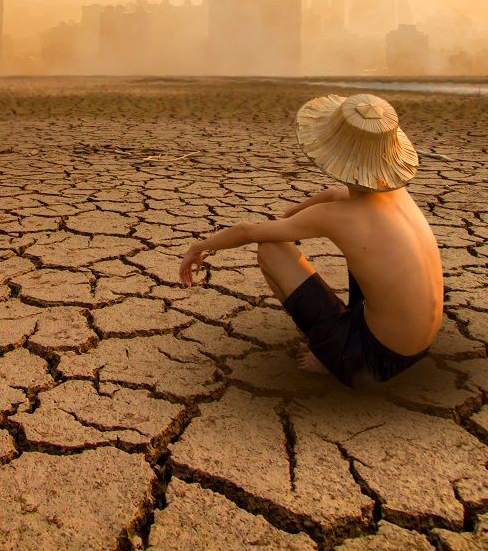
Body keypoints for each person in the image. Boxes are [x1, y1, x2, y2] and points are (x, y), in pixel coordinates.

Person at [178, 93, 443, 387]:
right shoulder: (395, 196)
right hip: (418, 347)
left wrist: (198, 247)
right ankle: (340, 341)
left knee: (271, 248)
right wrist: (290, 217)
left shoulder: (337, 217)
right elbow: (332, 195)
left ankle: (330, 355)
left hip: (369, 361)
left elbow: (248, 231)